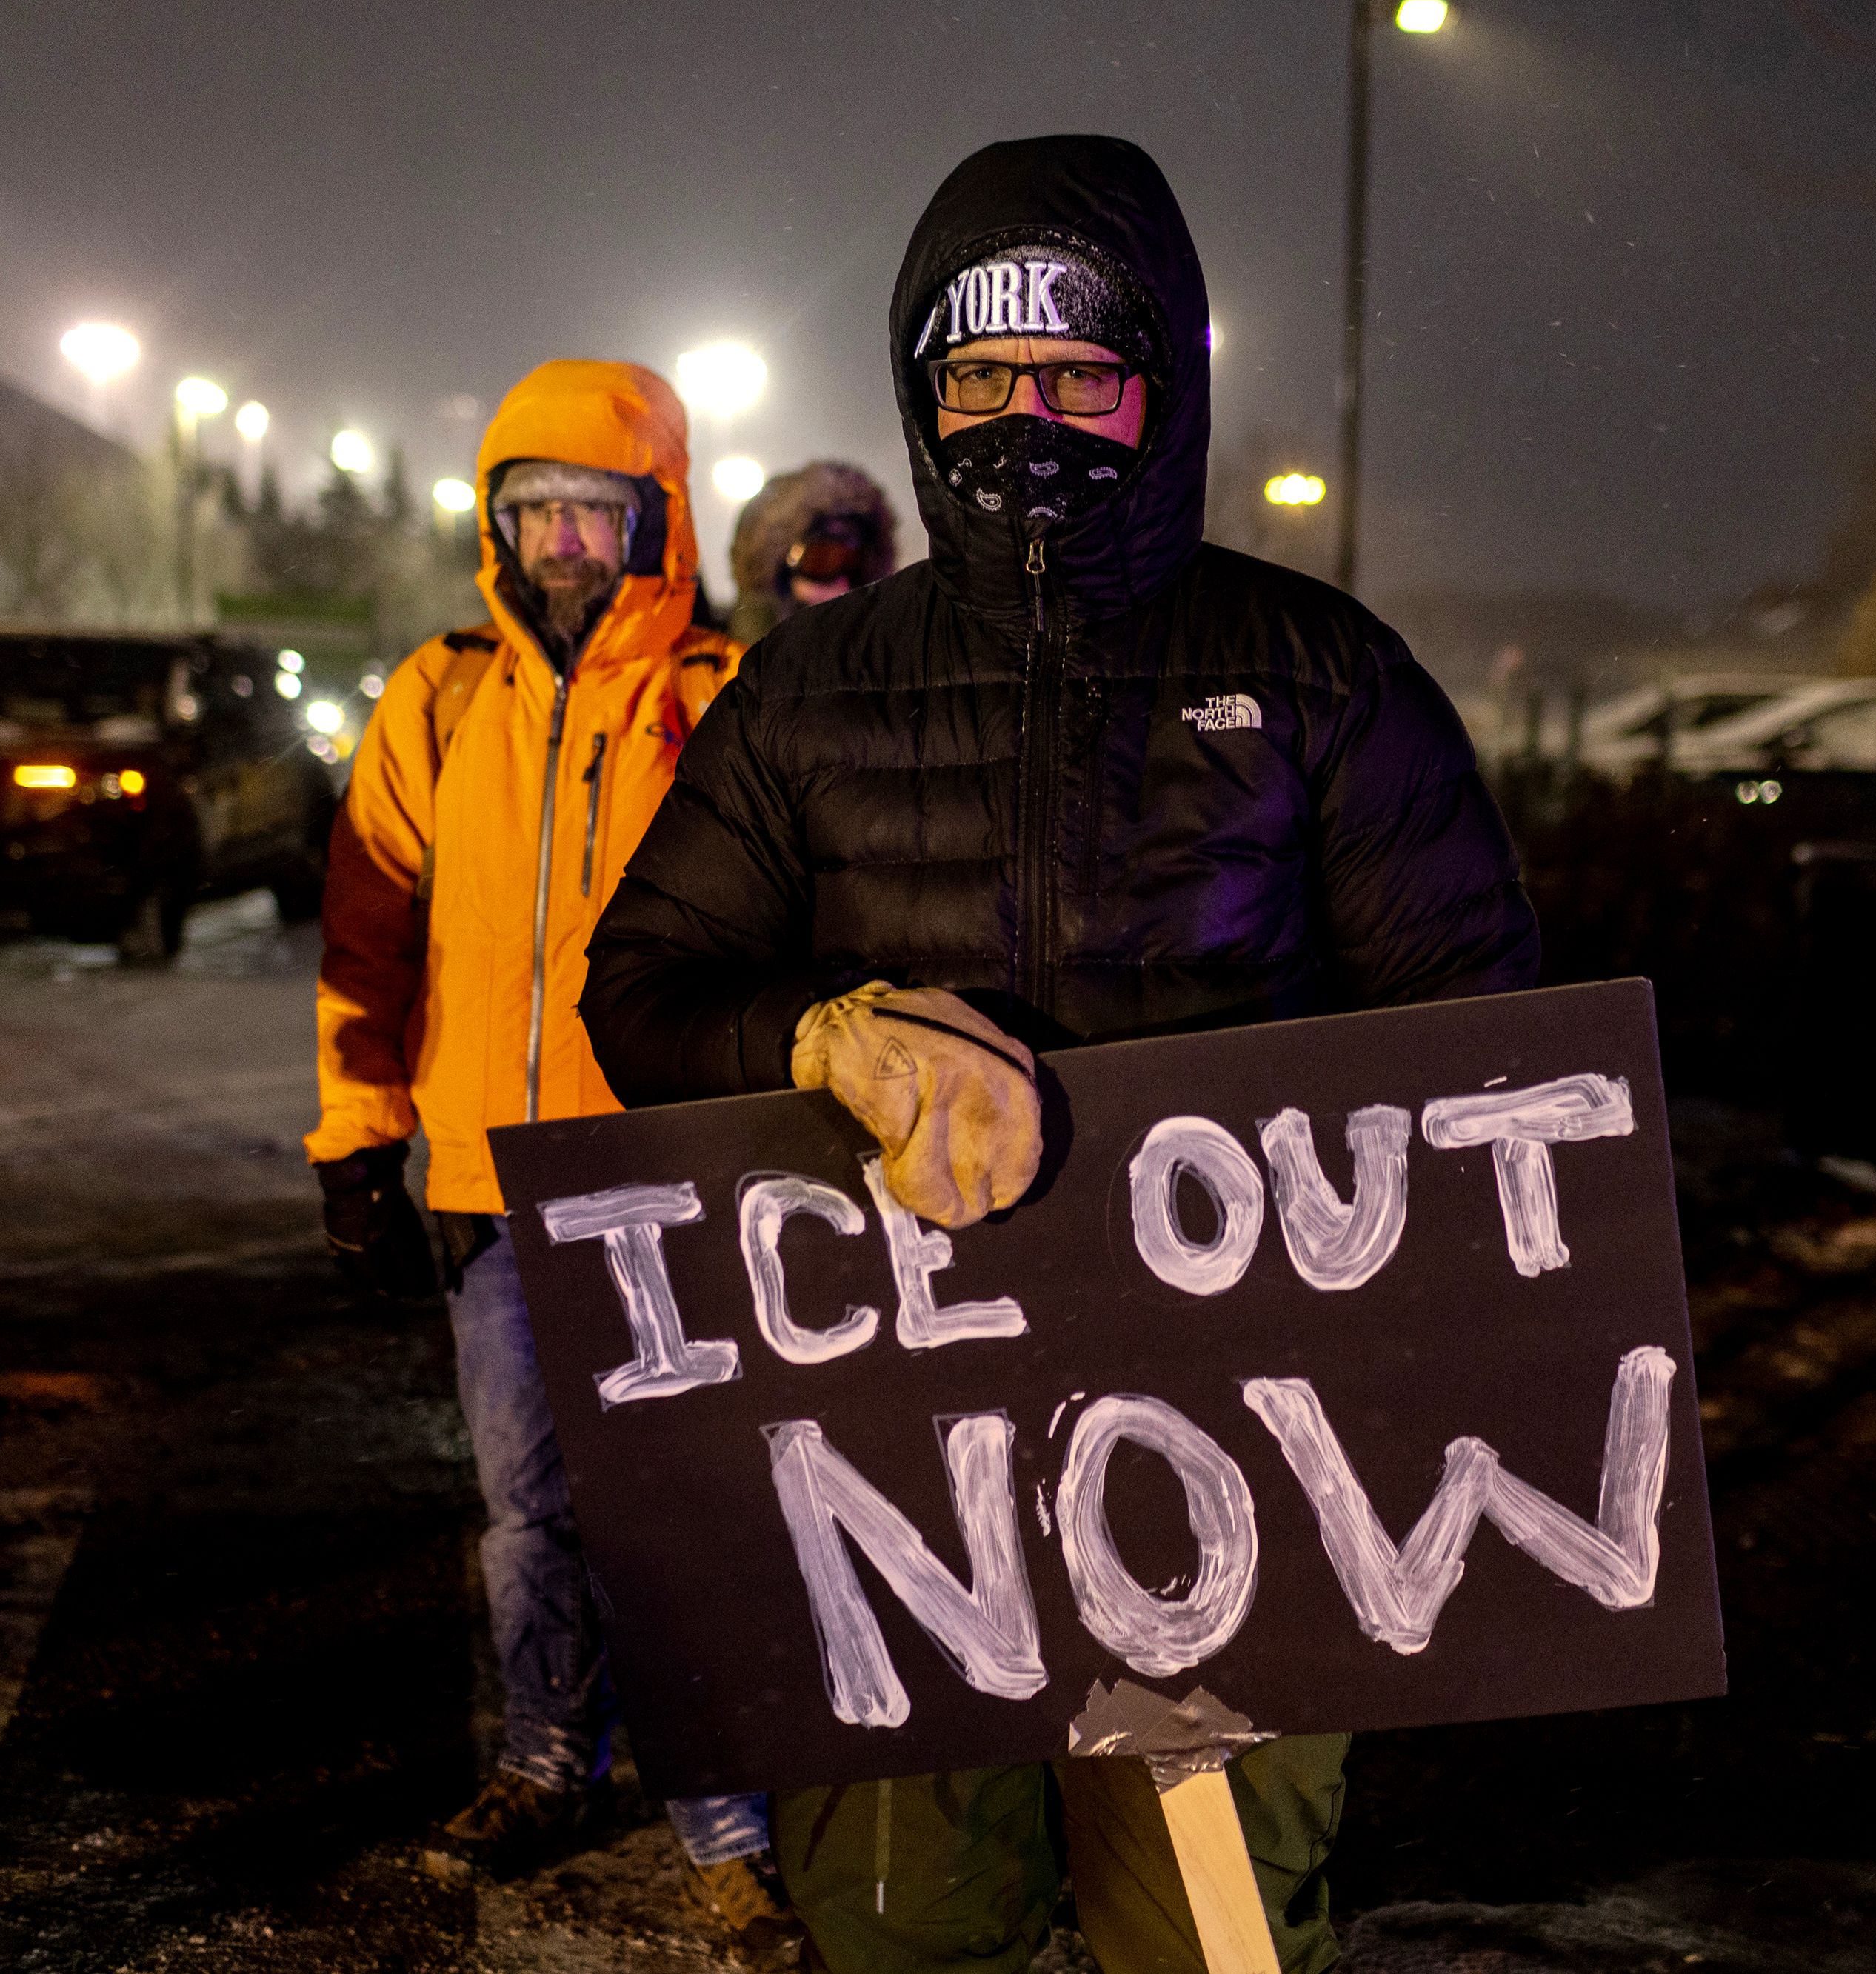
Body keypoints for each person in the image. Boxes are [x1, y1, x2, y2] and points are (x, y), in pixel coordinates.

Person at [581, 135, 1538, 1974]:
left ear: (1159, 388)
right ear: (920, 390)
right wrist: (819, 1036)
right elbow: (643, 989)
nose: (1025, 417)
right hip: (898, 1463)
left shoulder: (1322, 676)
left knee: (1207, 1934)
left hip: (1235, 1467)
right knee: (903, 1930)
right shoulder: (807, 691)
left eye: (1078, 375)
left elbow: (1481, 1052)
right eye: (979, 376)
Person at [306, 361, 785, 1919]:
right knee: (525, 1503)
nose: (565, 539)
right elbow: (366, 935)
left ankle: (728, 1816)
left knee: (685, 1499)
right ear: (495, 526)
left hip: (671, 1181)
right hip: (482, 1179)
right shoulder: (437, 696)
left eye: (596, 508)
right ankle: (543, 1753)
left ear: (658, 518)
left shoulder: (722, 695)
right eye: (535, 511)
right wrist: (356, 1133)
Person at [725, 460, 898, 645]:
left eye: (854, 563)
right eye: (822, 560)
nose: (842, 584)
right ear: (781, 572)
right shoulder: (724, 662)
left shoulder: (885, 655)